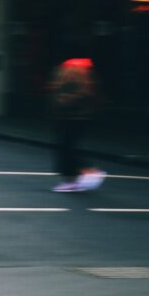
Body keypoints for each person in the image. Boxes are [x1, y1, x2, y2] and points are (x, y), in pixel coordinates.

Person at [47, 53, 106, 192]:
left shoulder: (76, 77)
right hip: (71, 118)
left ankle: (74, 178)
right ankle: (78, 176)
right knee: (68, 148)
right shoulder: (82, 78)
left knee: (67, 149)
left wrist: (62, 100)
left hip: (72, 118)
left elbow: (75, 98)